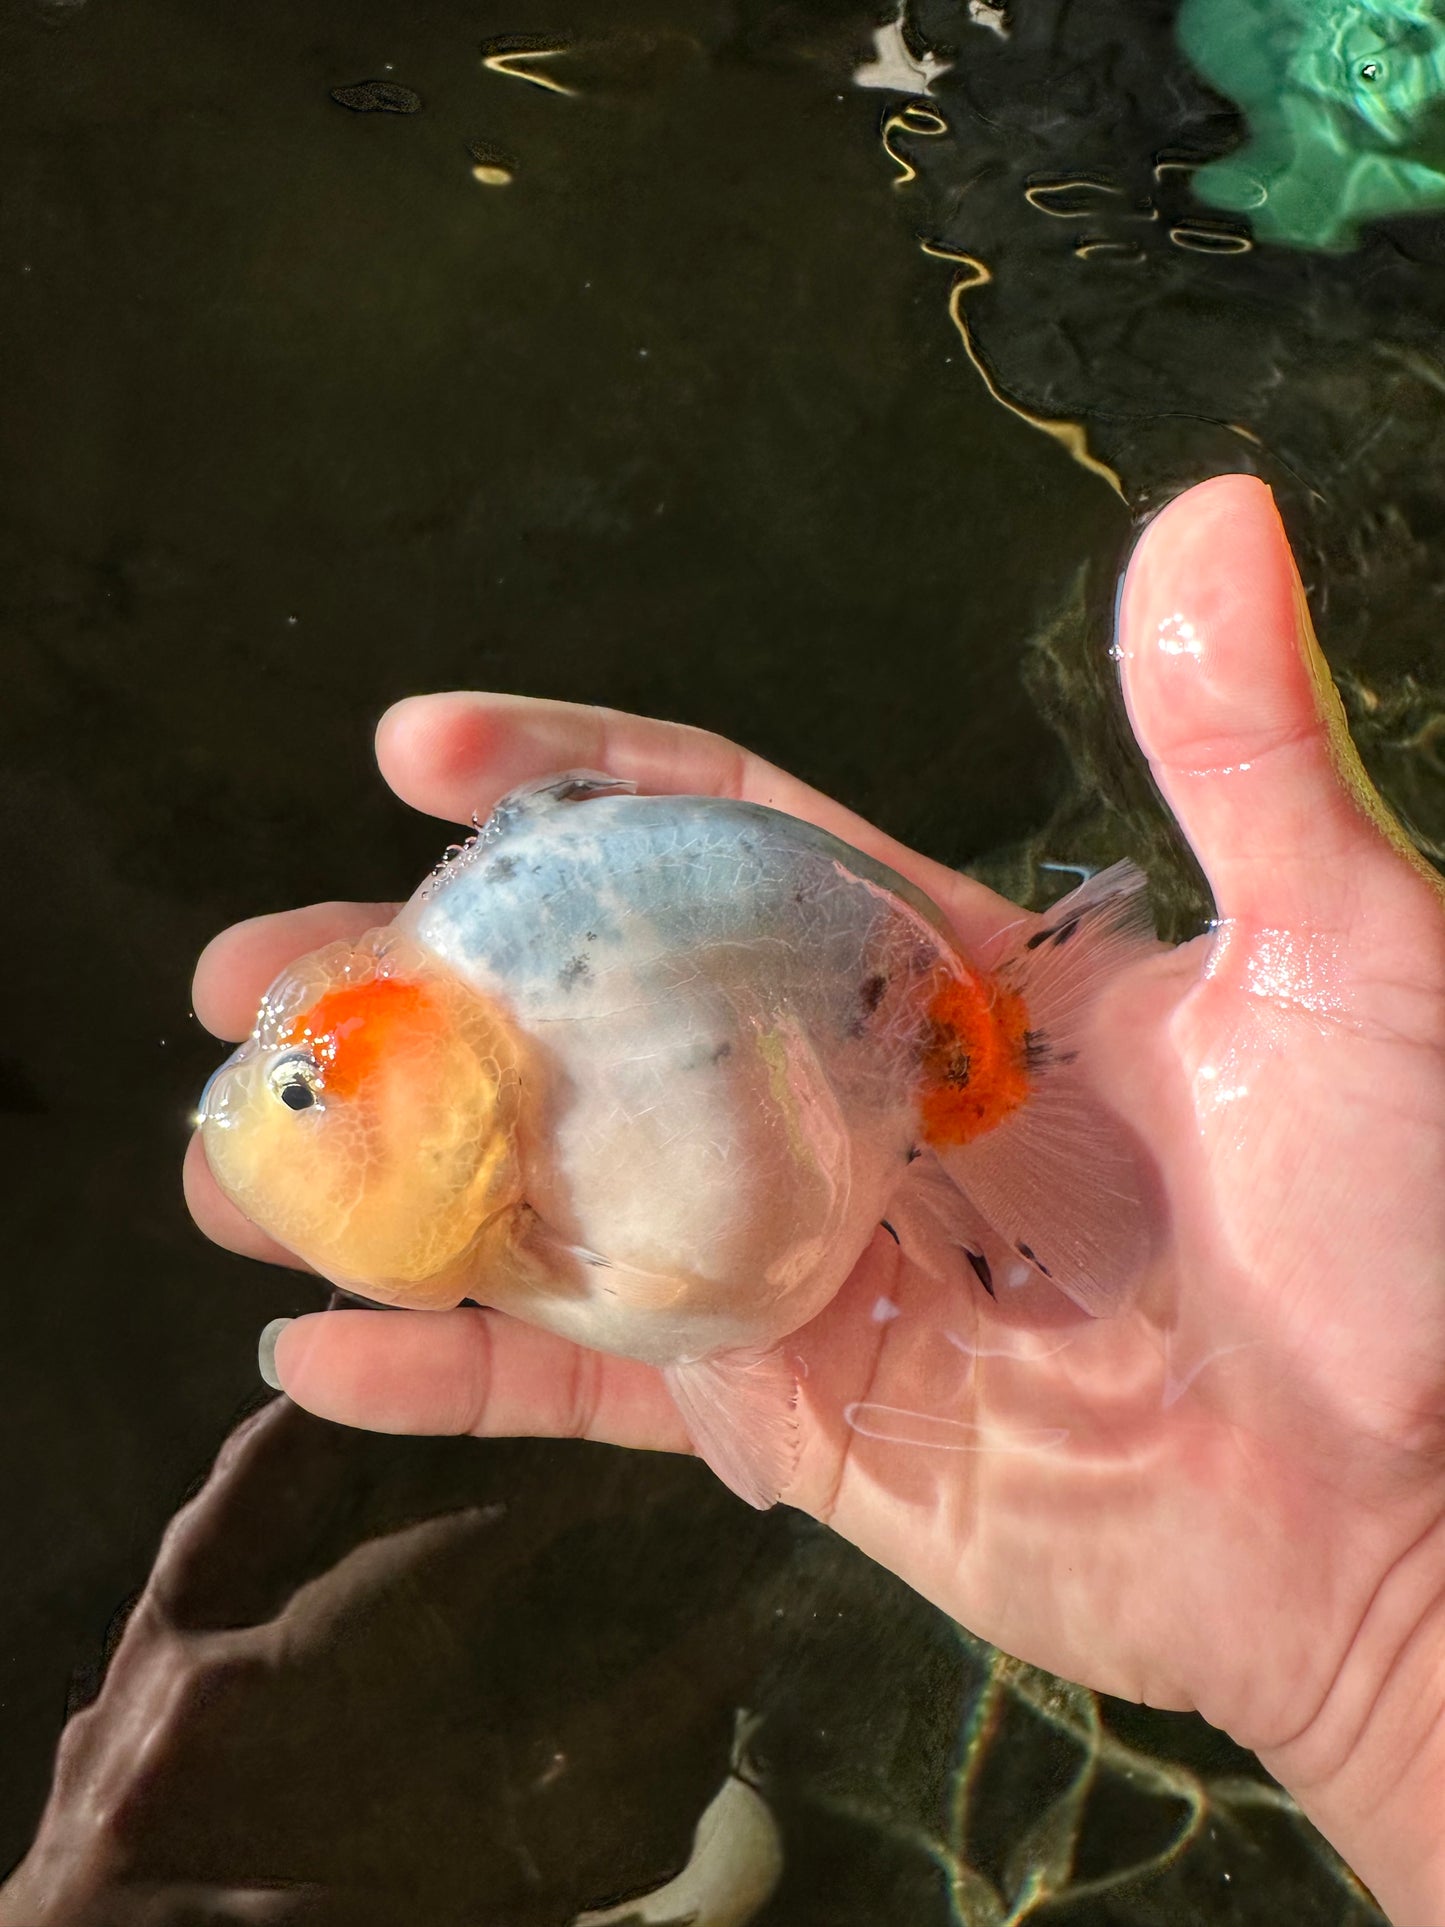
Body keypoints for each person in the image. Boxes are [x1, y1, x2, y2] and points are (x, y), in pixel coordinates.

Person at [185, 474, 1445, 1926]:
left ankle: (993, 1074)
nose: (259, 1105)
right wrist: (1390, 1643)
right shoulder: (482, 1036)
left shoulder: (511, 1079)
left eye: (298, 1091)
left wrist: (1397, 1615)